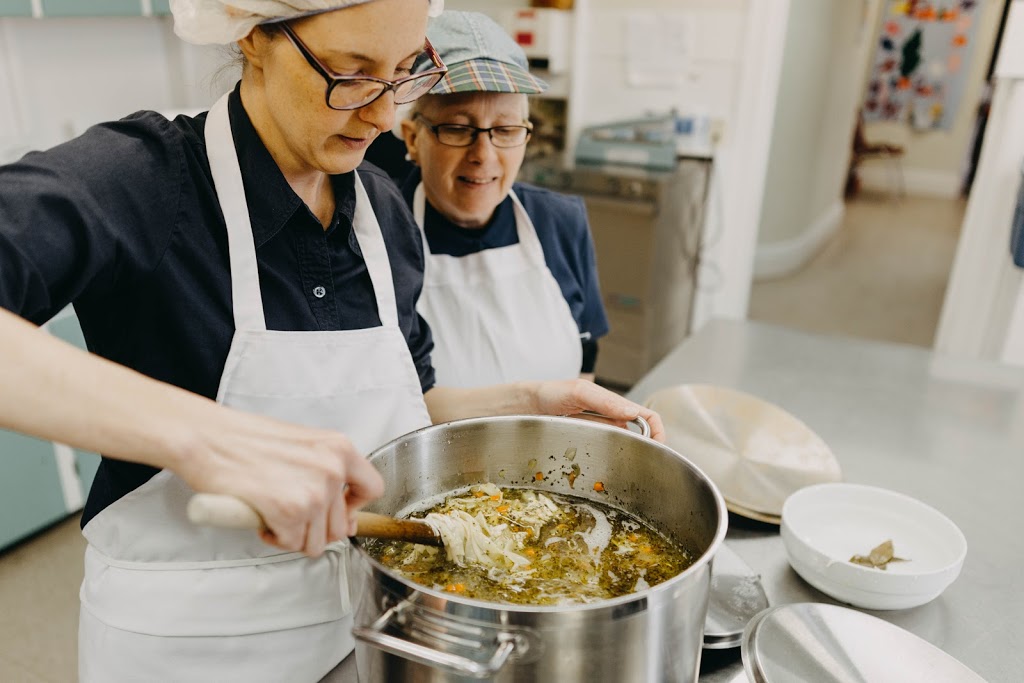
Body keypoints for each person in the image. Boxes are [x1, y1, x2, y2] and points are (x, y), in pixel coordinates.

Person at [0, 1, 662, 680]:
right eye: (351, 73)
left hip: (361, 633)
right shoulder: (144, 181)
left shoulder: (381, 214)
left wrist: (532, 397)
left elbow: (408, 400)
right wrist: (204, 438)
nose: (382, 116)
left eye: (405, 73)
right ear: (255, 36)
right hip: (185, 647)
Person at [396, 11, 609, 388]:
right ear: (414, 138)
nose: (484, 155)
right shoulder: (382, 234)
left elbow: (586, 354)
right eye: (459, 129)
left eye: (506, 129)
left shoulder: (560, 221)